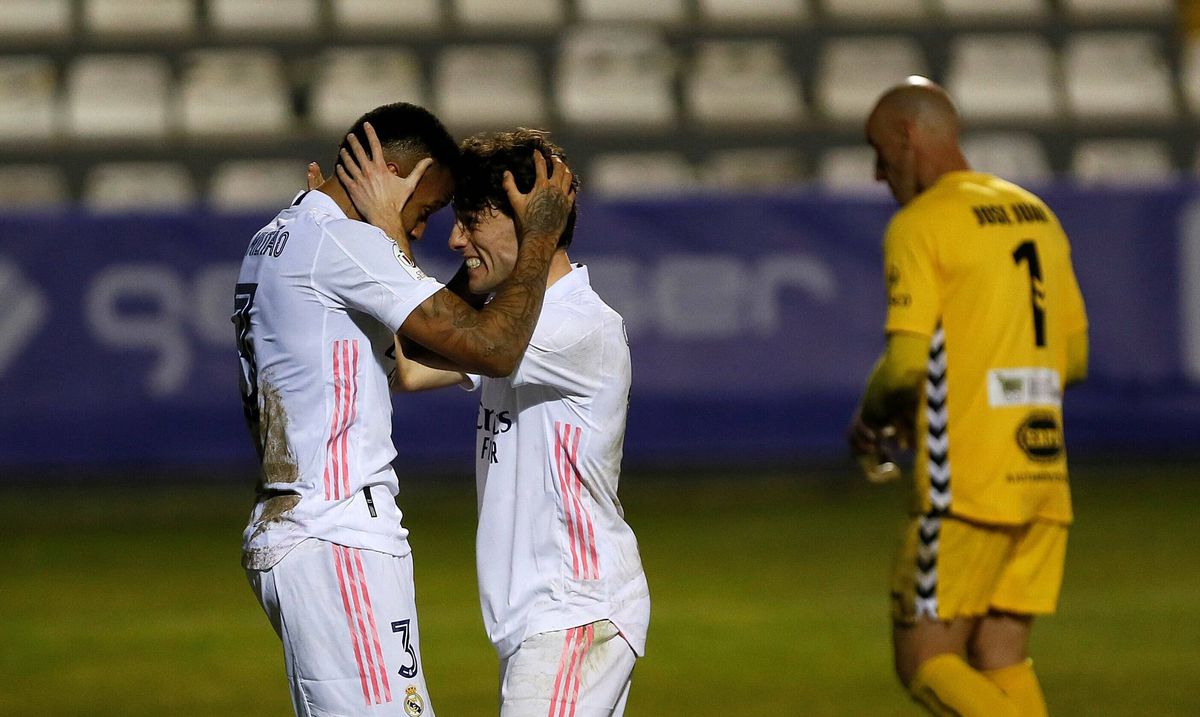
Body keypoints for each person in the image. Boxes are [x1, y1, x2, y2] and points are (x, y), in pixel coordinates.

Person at [233, 102, 576, 717]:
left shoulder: (278, 235)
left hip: (302, 531)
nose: (420, 231)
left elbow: (410, 360)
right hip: (338, 537)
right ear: (392, 173)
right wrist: (540, 235)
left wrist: (387, 235)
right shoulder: (342, 244)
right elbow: (493, 348)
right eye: (423, 210)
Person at [335, 128, 650, 717]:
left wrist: (384, 229)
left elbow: (445, 339)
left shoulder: (574, 324)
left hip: (572, 607)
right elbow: (412, 365)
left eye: (469, 221)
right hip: (547, 617)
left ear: (528, 224)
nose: (454, 239)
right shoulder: (518, 322)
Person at [848, 78, 1089, 717]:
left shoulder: (922, 224)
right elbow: (1075, 357)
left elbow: (904, 366)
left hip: (968, 485)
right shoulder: (1037, 214)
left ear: (907, 136)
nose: (878, 173)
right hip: (1043, 475)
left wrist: (872, 418)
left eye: (878, 151)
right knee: (999, 656)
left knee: (925, 661)